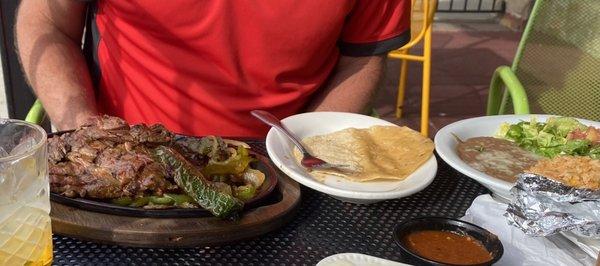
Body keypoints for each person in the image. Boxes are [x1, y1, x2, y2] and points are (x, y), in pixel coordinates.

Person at [16, 0, 410, 137]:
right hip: (129, 153)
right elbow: (45, 23)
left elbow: (362, 56)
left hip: (284, 166)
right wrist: (84, 130)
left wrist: (302, 154)